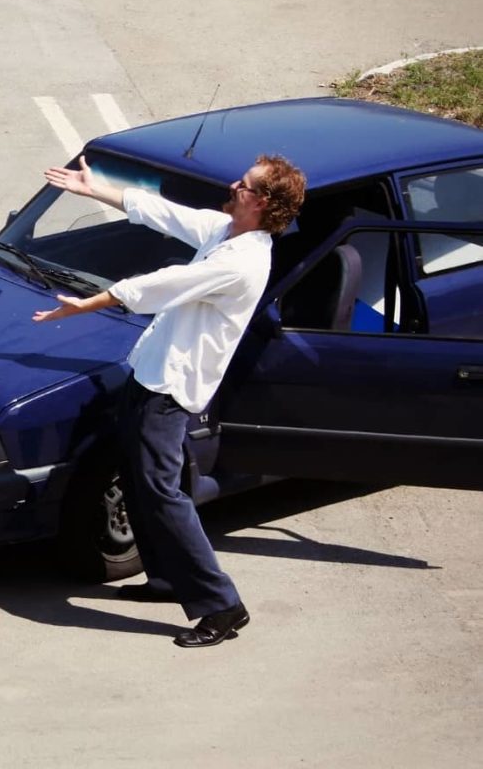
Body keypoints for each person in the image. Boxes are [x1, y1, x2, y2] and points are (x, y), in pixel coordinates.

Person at [33, 153, 306, 648]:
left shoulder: (241, 261)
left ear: (260, 202)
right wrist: (94, 189)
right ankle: (164, 580)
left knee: (160, 492)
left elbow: (164, 284)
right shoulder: (226, 231)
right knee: (145, 482)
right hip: (152, 374)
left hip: (169, 390)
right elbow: (163, 211)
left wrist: (90, 303)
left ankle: (222, 606)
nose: (232, 184)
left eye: (242, 184)